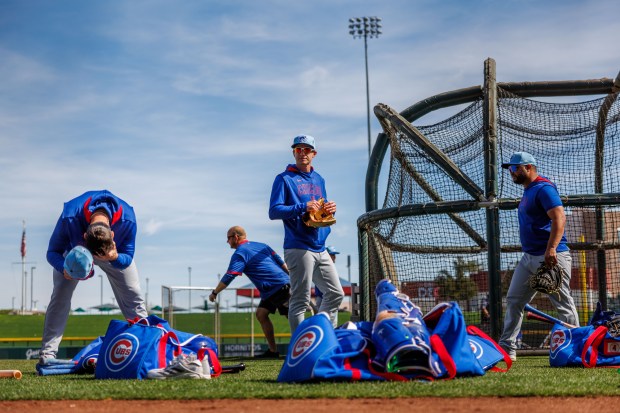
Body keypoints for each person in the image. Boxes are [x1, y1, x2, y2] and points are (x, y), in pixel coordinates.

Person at [39, 190, 148, 365]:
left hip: (112, 253)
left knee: (133, 295)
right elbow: (52, 252)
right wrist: (63, 268)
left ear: (113, 235)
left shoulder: (128, 219)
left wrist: (114, 257)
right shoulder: (70, 216)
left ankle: (145, 349)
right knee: (60, 294)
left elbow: (127, 258)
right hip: (76, 252)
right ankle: (47, 354)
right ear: (84, 236)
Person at [498, 152, 579, 361]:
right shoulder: (528, 191)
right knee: (514, 300)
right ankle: (507, 349)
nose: (511, 172)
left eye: (515, 168)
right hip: (529, 258)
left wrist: (551, 248)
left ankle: (576, 349)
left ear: (528, 167)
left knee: (562, 303)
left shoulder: (544, 188)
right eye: (510, 169)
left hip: (551, 256)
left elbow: (559, 217)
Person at [269, 135, 344, 332]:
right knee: (300, 300)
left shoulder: (319, 179)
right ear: (294, 152)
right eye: (298, 149)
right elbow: (274, 211)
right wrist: (302, 206)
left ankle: (320, 333)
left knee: (336, 293)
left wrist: (330, 209)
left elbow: (319, 211)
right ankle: (300, 349)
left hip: (320, 245)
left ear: (314, 153)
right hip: (298, 246)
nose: (302, 153)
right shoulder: (284, 178)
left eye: (306, 149)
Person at [209, 226, 291, 358]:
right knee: (261, 314)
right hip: (273, 289)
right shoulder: (262, 245)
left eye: (228, 238)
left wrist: (215, 292)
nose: (227, 242)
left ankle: (305, 349)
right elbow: (280, 261)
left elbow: (230, 275)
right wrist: (290, 277)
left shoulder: (240, 253)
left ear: (236, 237)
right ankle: (273, 351)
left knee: (293, 318)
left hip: (279, 286)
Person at [312, 245, 340, 314]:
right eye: (332, 255)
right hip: (323, 298)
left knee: (332, 322)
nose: (334, 257)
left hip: (329, 298)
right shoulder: (322, 268)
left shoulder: (331, 268)